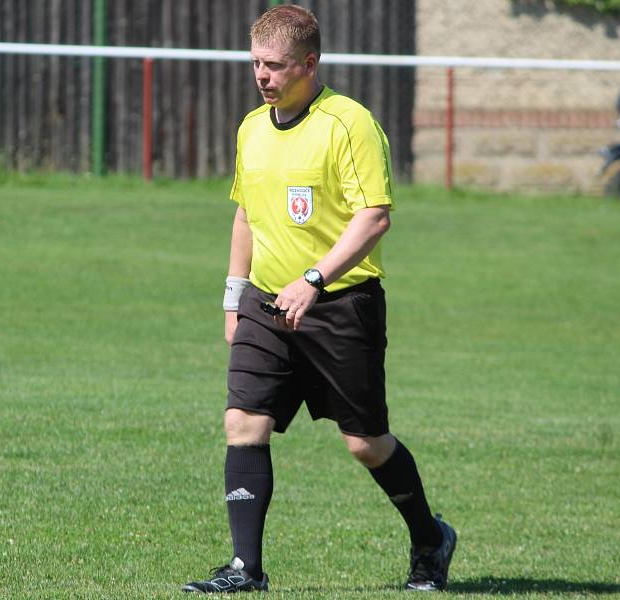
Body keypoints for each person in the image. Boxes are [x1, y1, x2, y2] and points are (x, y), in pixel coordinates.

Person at [182, 5, 456, 594]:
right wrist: (234, 296)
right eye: (256, 62)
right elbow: (246, 213)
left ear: (310, 64)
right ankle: (244, 569)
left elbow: (374, 218)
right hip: (264, 302)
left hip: (340, 305)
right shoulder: (252, 127)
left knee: (365, 443)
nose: (262, 76)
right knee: (243, 423)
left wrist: (313, 279)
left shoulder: (348, 124)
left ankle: (430, 539)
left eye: (275, 66)